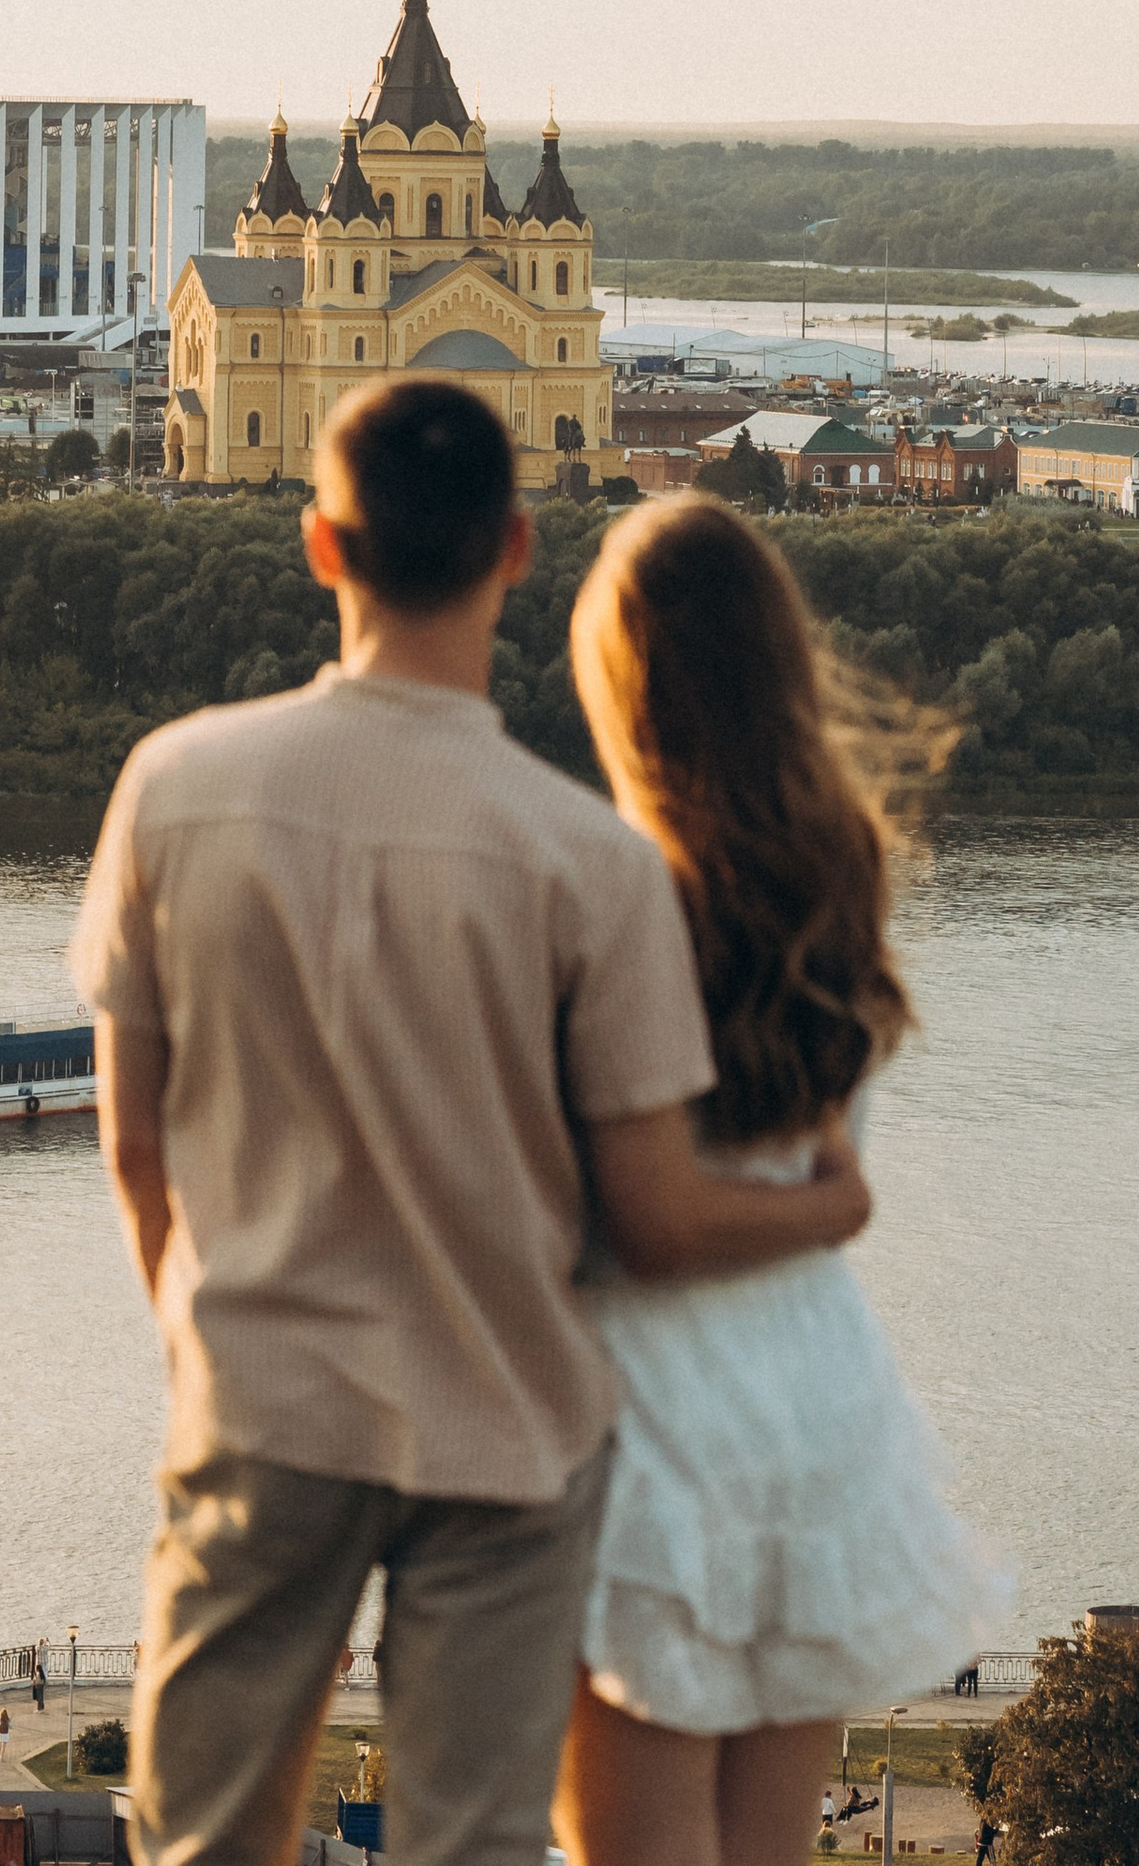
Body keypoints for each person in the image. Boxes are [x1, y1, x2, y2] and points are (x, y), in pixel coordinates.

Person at [74, 377, 878, 1866]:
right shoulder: (587, 864)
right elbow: (650, 1210)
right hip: (508, 1427)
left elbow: (136, 1147)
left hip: (264, 1400)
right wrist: (835, 1202)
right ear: (515, 548)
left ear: (322, 545)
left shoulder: (174, 790)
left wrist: (199, 1349)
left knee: (200, 1839)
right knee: (473, 1847)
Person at [553, 494, 1010, 1866]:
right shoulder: (841, 865)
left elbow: (633, 1217)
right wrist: (828, 1208)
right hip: (813, 1395)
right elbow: (837, 1173)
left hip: (645, 1412)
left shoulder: (606, 888)